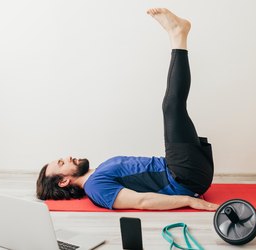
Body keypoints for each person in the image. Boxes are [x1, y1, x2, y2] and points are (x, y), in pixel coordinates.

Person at [36, 8, 219, 211]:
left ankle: (178, 33)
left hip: (182, 170)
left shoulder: (97, 174)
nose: (68, 157)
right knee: (172, 106)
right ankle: (178, 34)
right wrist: (190, 201)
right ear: (63, 182)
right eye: (61, 163)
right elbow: (142, 202)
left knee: (172, 106)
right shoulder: (96, 187)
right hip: (184, 176)